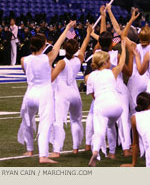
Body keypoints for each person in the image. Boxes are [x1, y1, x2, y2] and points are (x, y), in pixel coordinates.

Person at [17, 21, 75, 164]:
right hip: (44, 93)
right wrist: (67, 27)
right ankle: (43, 155)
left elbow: (28, 74)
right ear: (43, 46)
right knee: (44, 124)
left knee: (28, 121)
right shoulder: (48, 58)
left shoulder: (23, 60)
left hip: (30, 93)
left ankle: (30, 149)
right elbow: (59, 42)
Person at [49, 24, 92, 157]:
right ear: (76, 49)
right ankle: (75, 148)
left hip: (62, 93)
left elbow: (51, 78)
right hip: (75, 93)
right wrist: (89, 33)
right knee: (76, 120)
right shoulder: (79, 60)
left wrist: (48, 66)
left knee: (59, 121)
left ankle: (57, 150)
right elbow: (84, 45)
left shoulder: (62, 63)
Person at [86, 40, 126, 167]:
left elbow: (93, 95)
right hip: (116, 106)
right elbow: (122, 62)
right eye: (108, 61)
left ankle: (96, 151)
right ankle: (112, 152)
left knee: (99, 131)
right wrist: (123, 49)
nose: (110, 63)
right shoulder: (112, 72)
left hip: (101, 104)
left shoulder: (90, 77)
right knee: (111, 126)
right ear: (104, 63)